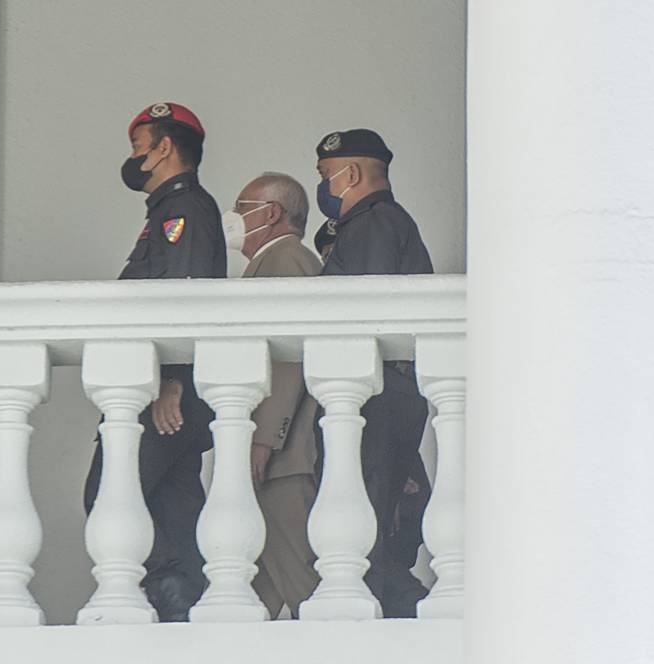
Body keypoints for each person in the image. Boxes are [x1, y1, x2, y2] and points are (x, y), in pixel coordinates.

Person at [83, 102, 225, 622]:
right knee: (173, 510)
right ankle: (178, 617)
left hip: (162, 397)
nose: (134, 156)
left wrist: (171, 382)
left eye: (139, 145)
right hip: (162, 393)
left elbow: (184, 301)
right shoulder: (168, 210)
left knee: (108, 496)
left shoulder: (182, 209)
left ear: (164, 148)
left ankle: (170, 602)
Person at [313, 128, 433, 617]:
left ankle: (403, 616)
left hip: (373, 396)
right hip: (385, 394)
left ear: (352, 173)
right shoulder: (380, 222)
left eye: (326, 176)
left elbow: (359, 313)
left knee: (366, 525)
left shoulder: (373, 223)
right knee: (370, 519)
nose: (325, 186)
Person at [221, 172, 323, 618]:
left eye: (243, 208)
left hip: (283, 455)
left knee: (301, 580)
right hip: (272, 453)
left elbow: (288, 357)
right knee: (255, 588)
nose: (235, 217)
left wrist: (264, 437)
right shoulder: (272, 261)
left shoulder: (285, 257)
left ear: (272, 213)